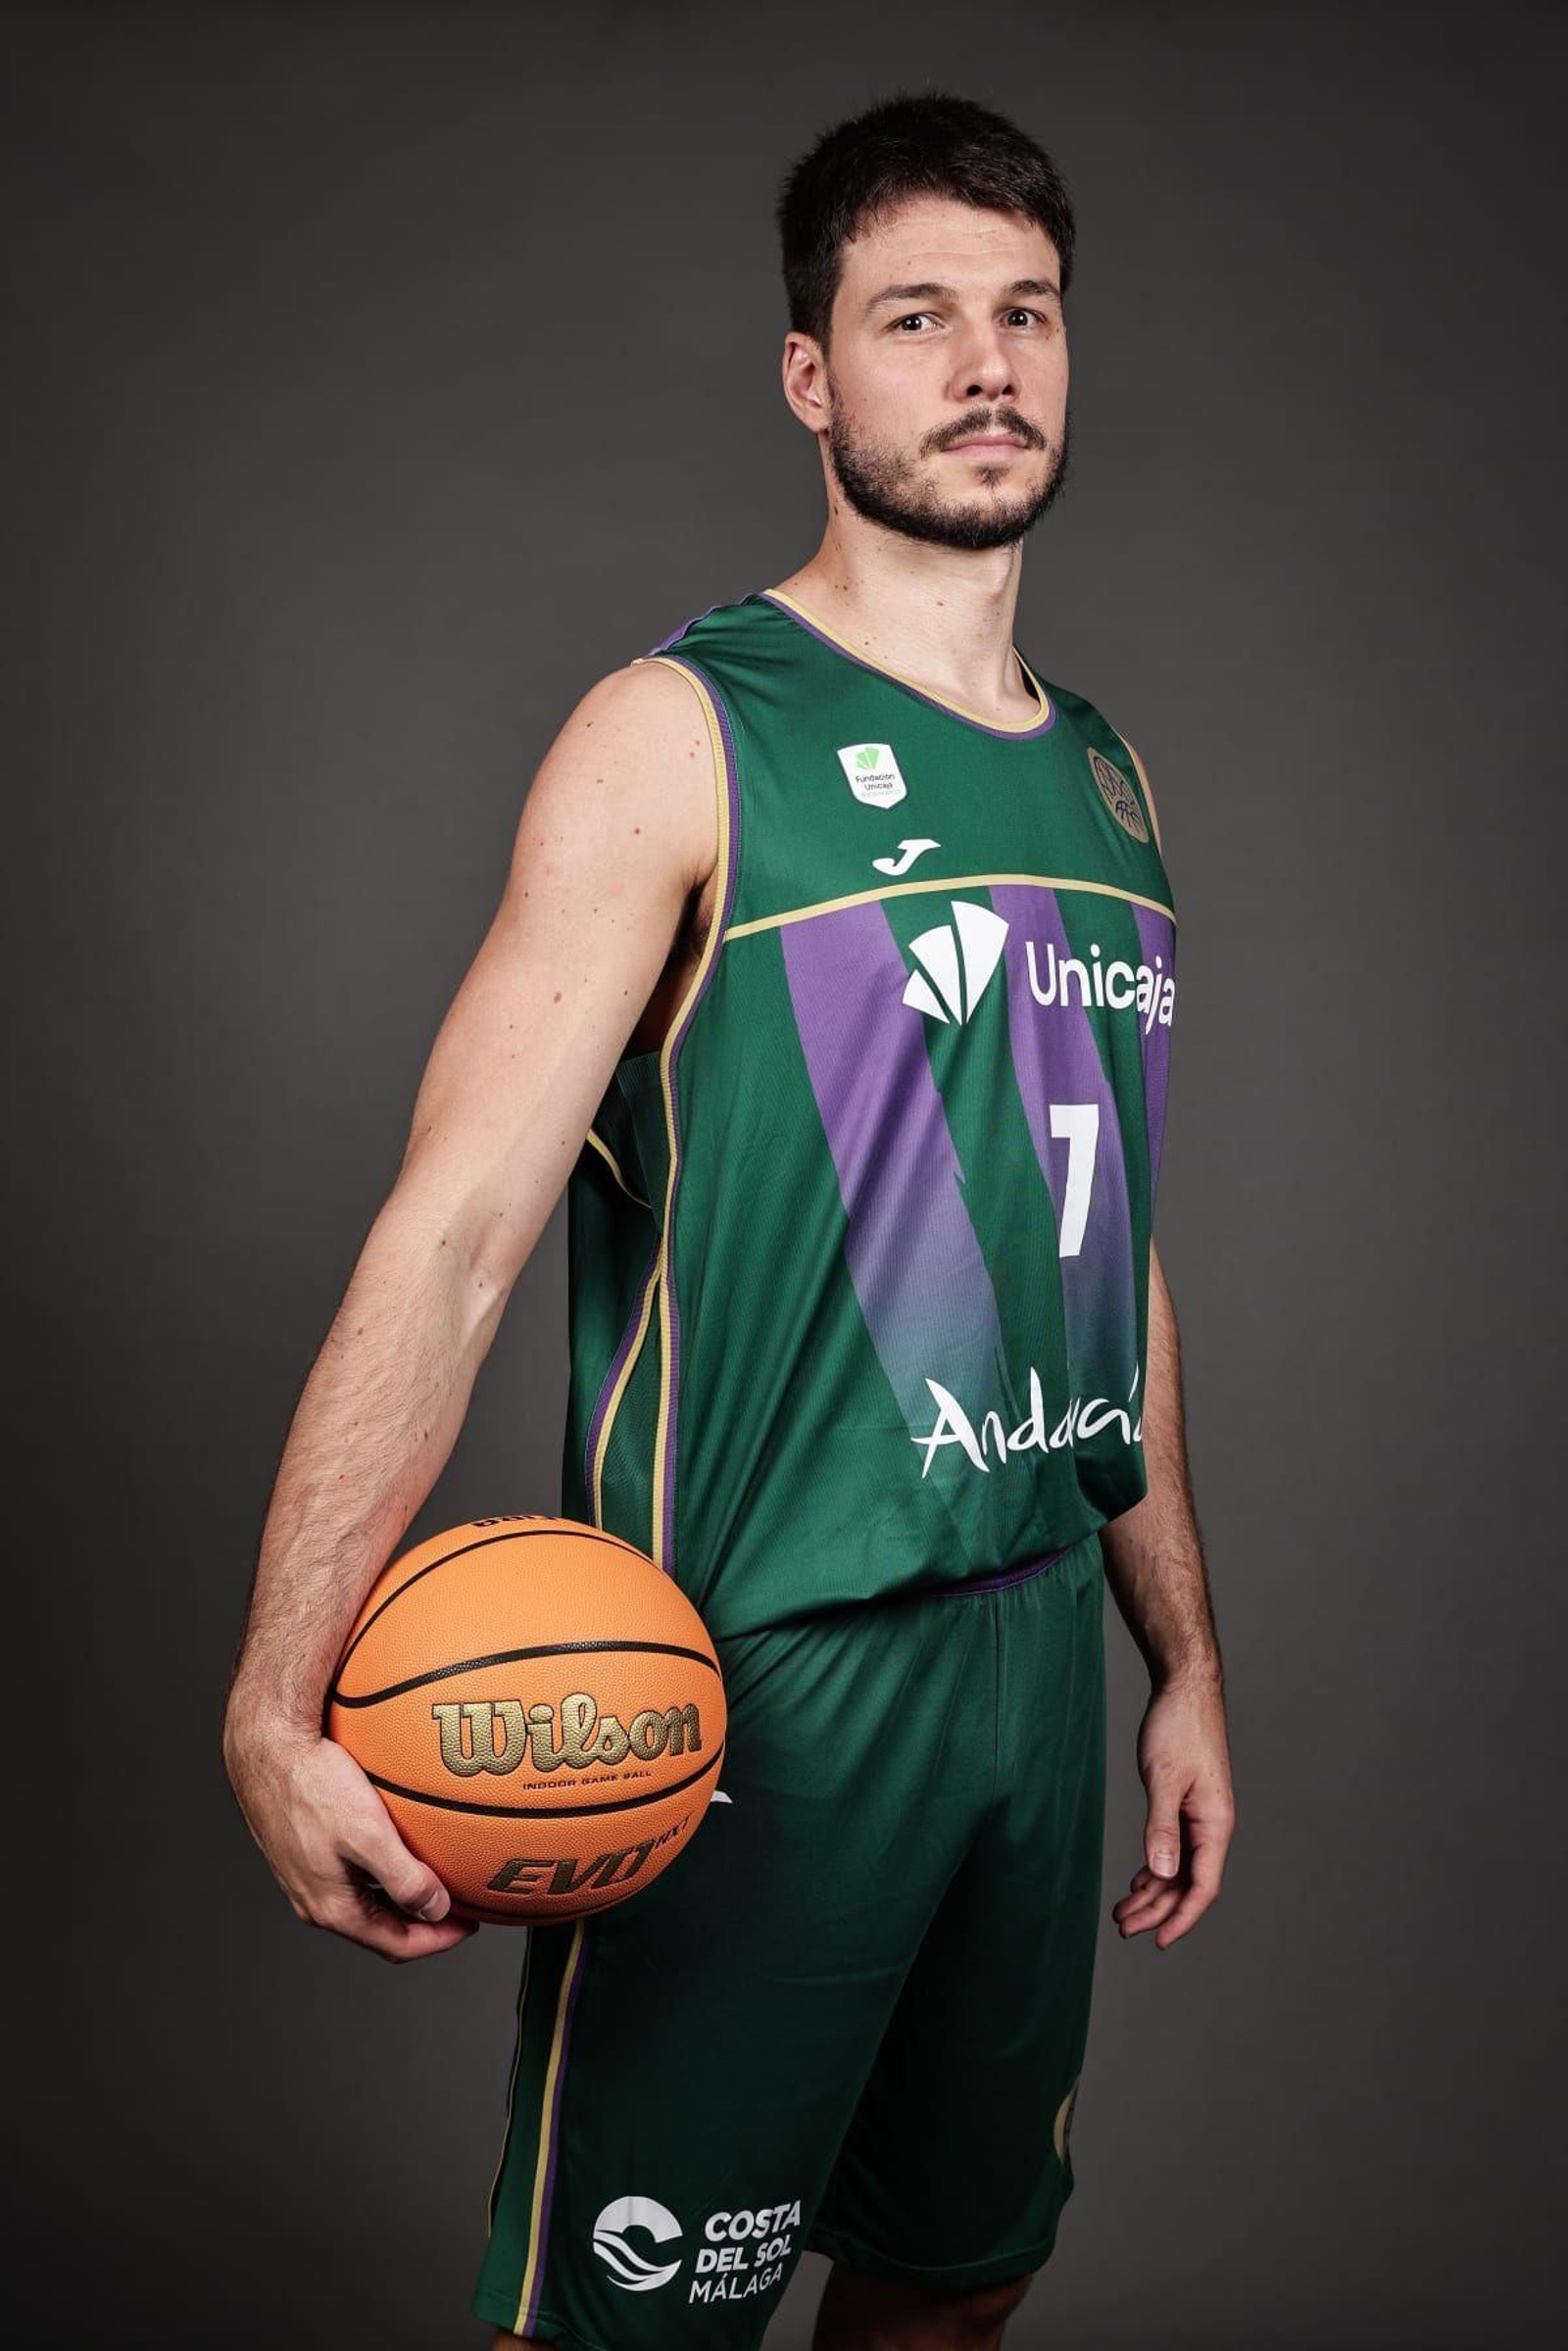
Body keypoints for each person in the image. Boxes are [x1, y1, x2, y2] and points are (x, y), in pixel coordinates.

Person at [223, 87, 1235, 2351]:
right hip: (752, 1691)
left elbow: (1105, 1254)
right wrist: (276, 1703)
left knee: (954, 2290)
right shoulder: (679, 735)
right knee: (626, 2330)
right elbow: (451, 1240)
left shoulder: (1107, 777)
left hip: (1029, 1666)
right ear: (808, 373)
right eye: (914, 318)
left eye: (1023, 314)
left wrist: (1177, 1662)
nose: (984, 365)